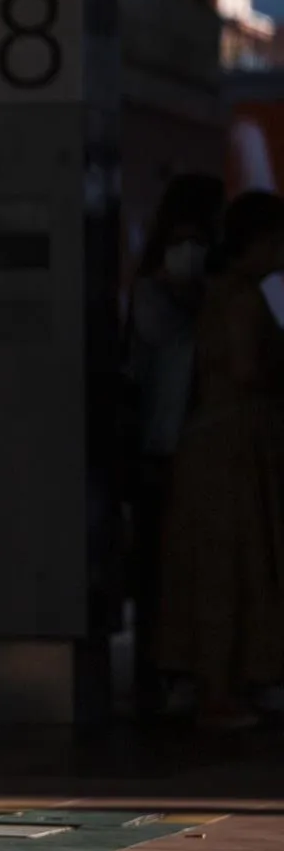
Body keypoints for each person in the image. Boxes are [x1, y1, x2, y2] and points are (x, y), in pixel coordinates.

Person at [158, 190, 284, 730]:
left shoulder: (220, 294)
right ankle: (219, 689)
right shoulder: (240, 299)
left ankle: (219, 684)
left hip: (219, 442)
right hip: (233, 447)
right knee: (230, 564)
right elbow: (248, 369)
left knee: (221, 563)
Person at [124, 174, 224, 716]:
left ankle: (181, 669)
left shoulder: (206, 294)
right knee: (158, 566)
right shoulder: (153, 295)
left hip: (190, 441)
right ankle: (162, 672)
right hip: (163, 444)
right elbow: (173, 347)